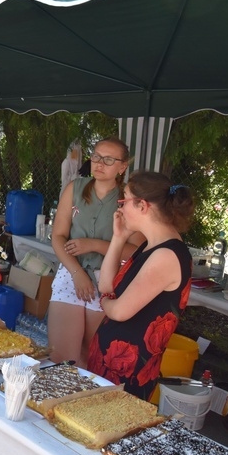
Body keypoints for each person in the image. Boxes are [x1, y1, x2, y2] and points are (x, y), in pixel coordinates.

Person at [88, 172, 194, 400]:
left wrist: (105, 300)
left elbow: (119, 310)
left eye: (124, 200)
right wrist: (119, 238)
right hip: (110, 365)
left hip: (128, 374)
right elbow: (107, 285)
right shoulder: (151, 246)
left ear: (142, 206)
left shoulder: (166, 255)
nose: (120, 208)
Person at [48, 137, 144, 367]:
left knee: (92, 356)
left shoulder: (129, 199)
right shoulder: (75, 188)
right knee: (62, 357)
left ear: (122, 167)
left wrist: (95, 245)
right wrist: (76, 272)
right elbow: (58, 237)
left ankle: (81, 402)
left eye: (109, 160)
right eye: (97, 157)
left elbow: (136, 252)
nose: (100, 163)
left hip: (108, 280)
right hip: (72, 273)